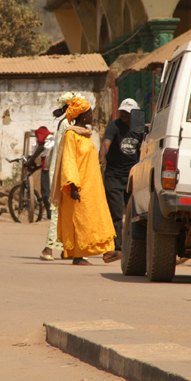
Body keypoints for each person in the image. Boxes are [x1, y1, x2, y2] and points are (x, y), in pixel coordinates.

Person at [51, 97, 116, 266]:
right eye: (90, 113)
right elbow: (69, 161)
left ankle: (108, 251)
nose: (92, 115)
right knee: (82, 220)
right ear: (82, 115)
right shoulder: (71, 135)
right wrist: (73, 186)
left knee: (98, 217)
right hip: (79, 186)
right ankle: (80, 255)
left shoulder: (86, 135)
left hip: (92, 185)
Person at [99, 98, 142, 264]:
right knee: (117, 214)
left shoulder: (140, 129)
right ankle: (118, 248)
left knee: (135, 214)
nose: (123, 115)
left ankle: (134, 246)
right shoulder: (114, 126)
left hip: (132, 177)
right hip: (114, 177)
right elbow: (106, 143)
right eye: (122, 111)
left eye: (127, 113)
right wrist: (102, 156)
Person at [40, 92, 78, 261]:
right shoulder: (66, 124)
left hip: (63, 170)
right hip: (62, 172)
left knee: (66, 210)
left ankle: (65, 248)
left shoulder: (68, 123)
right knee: (58, 211)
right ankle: (48, 248)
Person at [25, 126, 53, 220]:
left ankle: (50, 215)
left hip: (47, 171)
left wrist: (31, 160)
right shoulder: (51, 143)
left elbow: (41, 147)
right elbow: (45, 161)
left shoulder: (45, 143)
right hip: (51, 170)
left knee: (45, 193)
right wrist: (34, 168)